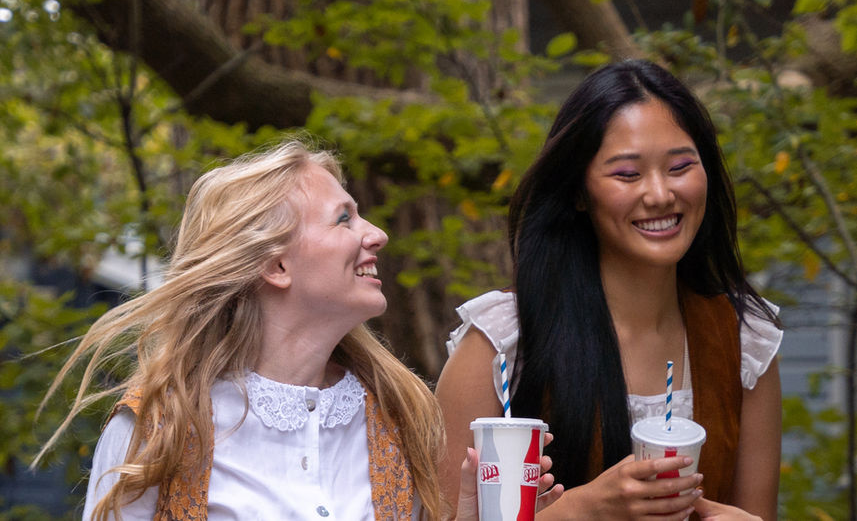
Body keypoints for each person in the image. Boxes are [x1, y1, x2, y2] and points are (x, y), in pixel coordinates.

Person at [34, 140, 558, 520]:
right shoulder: (157, 429)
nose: (377, 234)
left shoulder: (401, 415)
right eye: (344, 218)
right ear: (276, 266)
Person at [436, 60, 783, 520]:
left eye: (680, 167)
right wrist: (582, 508)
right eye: (627, 174)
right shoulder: (502, 343)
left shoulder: (743, 342)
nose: (659, 194)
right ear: (579, 192)